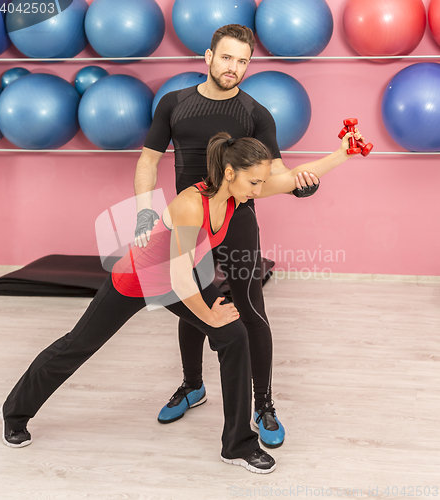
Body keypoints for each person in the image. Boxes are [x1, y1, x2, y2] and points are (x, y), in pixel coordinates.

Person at [0, 129, 364, 474]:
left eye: (260, 182)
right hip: (138, 279)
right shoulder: (192, 203)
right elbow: (174, 277)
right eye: (254, 182)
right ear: (229, 172)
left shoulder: (239, 191)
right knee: (77, 345)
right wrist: (210, 314)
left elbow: (295, 176)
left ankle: (237, 445)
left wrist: (343, 154)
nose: (259, 190)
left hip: (178, 277)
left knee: (234, 337)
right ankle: (15, 414)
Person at [134, 24, 319, 449]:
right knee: (192, 303)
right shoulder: (174, 104)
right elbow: (148, 161)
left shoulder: (255, 114)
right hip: (189, 220)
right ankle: (192, 385)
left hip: (238, 221)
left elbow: (276, 174)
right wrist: (145, 209)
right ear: (208, 56)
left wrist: (303, 183)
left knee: (251, 309)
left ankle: (264, 404)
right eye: (227, 57)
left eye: (242, 61)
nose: (233, 67)